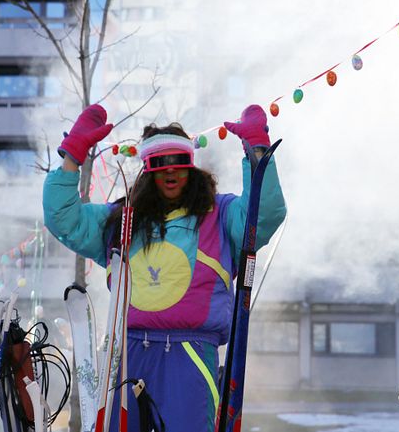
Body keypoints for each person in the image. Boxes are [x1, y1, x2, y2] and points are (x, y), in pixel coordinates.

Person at [43, 103, 286, 432]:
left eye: (179, 164)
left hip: (190, 357)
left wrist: (257, 152)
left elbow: (264, 215)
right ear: (148, 170)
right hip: (127, 356)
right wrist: (73, 156)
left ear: (191, 167)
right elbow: (64, 220)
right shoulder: (123, 219)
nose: (171, 173)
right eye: (160, 164)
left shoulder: (219, 214)